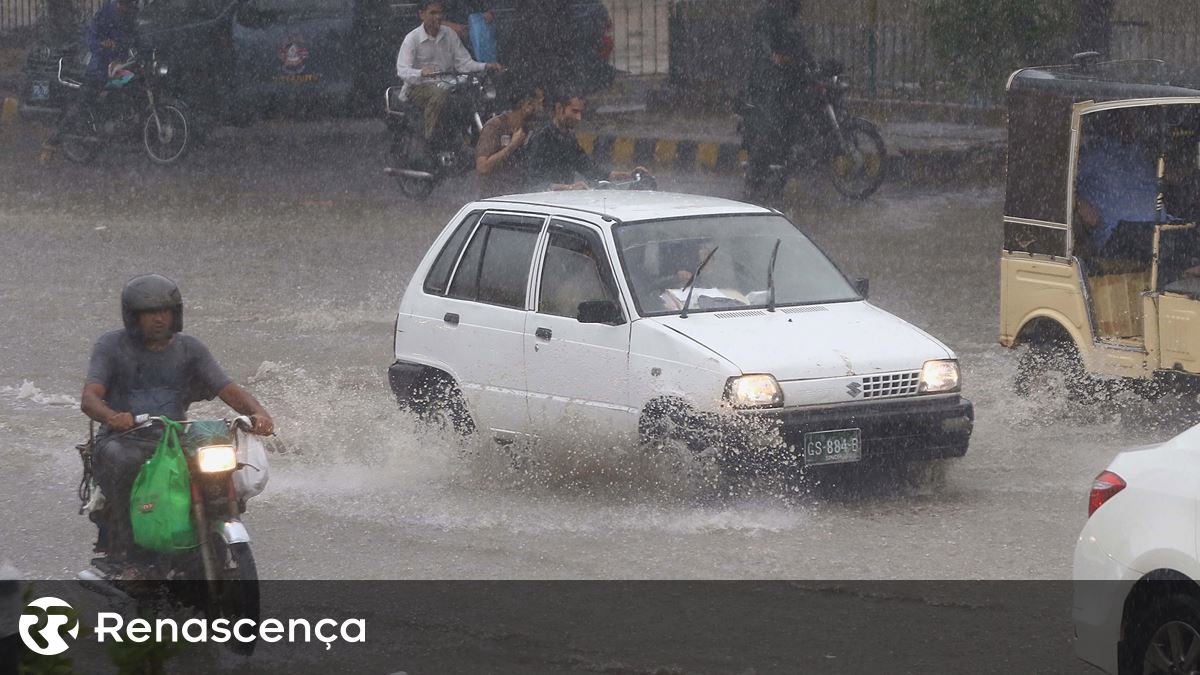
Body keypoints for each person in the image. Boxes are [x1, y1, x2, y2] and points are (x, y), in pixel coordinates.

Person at [81, 274, 274, 574]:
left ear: (176, 313)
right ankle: (132, 557)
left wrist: (257, 413)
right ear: (133, 317)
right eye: (150, 313)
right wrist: (111, 416)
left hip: (173, 439)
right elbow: (90, 397)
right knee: (125, 460)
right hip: (124, 439)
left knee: (217, 459)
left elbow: (227, 388)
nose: (159, 319)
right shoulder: (111, 345)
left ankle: (213, 528)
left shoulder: (190, 348)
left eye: (164, 311)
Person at [395, 0, 502, 149]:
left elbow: (464, 63)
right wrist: (421, 72)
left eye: (439, 13)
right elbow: (402, 71)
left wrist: (486, 65)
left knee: (471, 96)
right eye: (432, 13)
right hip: (418, 87)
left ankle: (466, 140)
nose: (437, 17)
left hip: (448, 85)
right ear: (422, 14)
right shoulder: (412, 39)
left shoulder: (449, 35)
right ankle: (428, 141)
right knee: (439, 94)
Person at [44, 0, 141, 154]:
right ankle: (55, 137)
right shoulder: (106, 13)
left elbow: (136, 38)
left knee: (131, 88)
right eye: (125, 5)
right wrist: (103, 46)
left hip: (121, 67)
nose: (127, 8)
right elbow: (90, 38)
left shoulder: (130, 16)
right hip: (100, 68)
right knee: (85, 99)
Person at [743, 0, 815, 200]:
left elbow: (800, 46)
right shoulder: (768, 15)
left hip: (790, 80)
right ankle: (752, 180)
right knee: (772, 129)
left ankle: (780, 177)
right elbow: (766, 47)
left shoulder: (790, 18)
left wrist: (813, 66)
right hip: (768, 83)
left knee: (794, 127)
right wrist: (776, 58)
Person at [1075, 109, 1165, 261]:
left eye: (1134, 119)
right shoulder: (1093, 154)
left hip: (1163, 229)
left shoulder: (1140, 152)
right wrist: (1078, 204)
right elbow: (1059, 185)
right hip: (1122, 237)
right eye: (1125, 119)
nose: (1132, 124)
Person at [521, 92, 646, 191]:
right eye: (574, 111)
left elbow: (590, 169)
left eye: (580, 112)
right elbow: (534, 183)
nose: (578, 118)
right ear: (559, 109)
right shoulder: (542, 137)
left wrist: (628, 176)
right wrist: (569, 188)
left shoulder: (568, 138)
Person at [475, 83, 543, 198]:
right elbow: (482, 167)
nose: (542, 109)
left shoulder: (531, 130)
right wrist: (511, 146)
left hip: (521, 198)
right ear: (526, 105)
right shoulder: (495, 126)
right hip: (496, 200)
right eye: (540, 104)